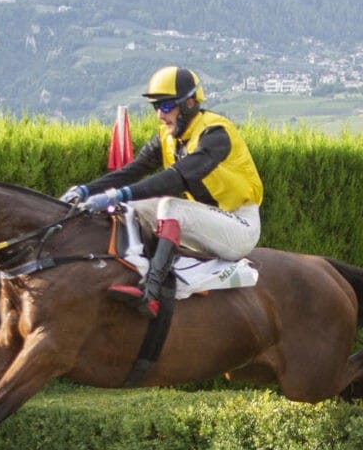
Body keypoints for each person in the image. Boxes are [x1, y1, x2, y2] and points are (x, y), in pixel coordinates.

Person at [60, 66, 263, 314]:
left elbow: (176, 178)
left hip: (240, 226)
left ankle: (152, 293)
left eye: (166, 106)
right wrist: (85, 190)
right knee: (130, 208)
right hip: (208, 221)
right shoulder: (166, 137)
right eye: (156, 107)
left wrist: (116, 194)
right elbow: (132, 171)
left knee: (167, 205)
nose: (159, 115)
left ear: (189, 104)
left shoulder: (215, 134)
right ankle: (133, 271)